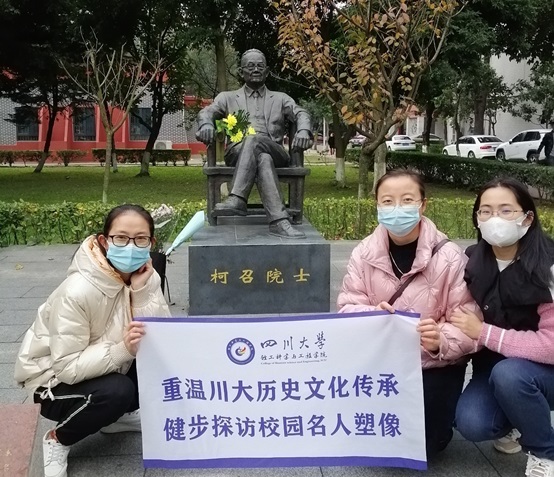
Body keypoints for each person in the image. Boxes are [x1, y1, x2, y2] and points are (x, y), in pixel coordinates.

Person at [14, 204, 171, 477]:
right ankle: (59, 438)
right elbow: (67, 367)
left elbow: (162, 338)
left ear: (151, 242)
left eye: (140, 239)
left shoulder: (147, 276)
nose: (130, 247)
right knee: (118, 391)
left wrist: (141, 294)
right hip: (52, 381)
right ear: (104, 241)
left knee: (156, 359)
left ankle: (116, 418)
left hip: (103, 363)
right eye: (121, 238)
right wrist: (123, 350)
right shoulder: (77, 291)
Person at [337, 169, 482, 459]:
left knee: (428, 445)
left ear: (423, 204)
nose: (397, 209)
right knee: (376, 438)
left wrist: (440, 340)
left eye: (407, 200)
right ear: (377, 206)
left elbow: (469, 323)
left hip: (432, 364)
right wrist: (370, 314)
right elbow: (347, 307)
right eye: (387, 201)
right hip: (380, 362)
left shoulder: (450, 257)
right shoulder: (363, 253)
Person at [451, 178, 554, 477]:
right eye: (485, 211)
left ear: (527, 217)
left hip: (543, 371)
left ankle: (544, 452)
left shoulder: (548, 266)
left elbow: (551, 346)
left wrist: (484, 333)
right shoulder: (472, 260)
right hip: (493, 368)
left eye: (506, 210)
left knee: (510, 375)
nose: (494, 218)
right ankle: (518, 416)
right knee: (471, 422)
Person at [196, 49, 313, 239]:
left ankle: (237, 198)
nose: (256, 69)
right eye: (250, 66)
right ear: (241, 72)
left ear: (267, 71)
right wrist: (206, 125)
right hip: (237, 152)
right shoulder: (227, 97)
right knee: (263, 158)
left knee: (256, 141)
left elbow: (301, 112)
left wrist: (304, 130)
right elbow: (207, 112)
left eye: (260, 66)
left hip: (275, 151)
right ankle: (279, 222)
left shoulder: (280, 98)